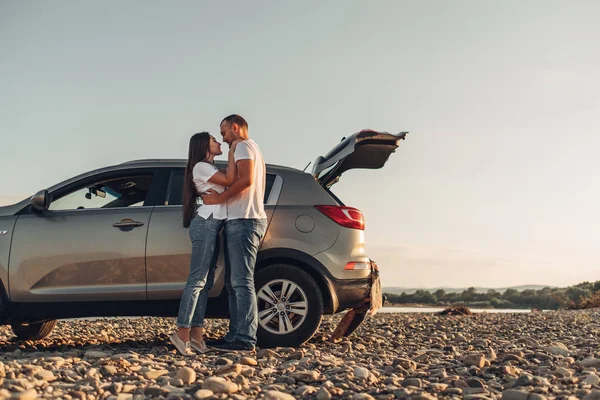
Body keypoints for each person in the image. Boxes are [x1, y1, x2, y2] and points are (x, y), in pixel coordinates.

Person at [169, 132, 239, 356]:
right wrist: (233, 151)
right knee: (197, 280)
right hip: (206, 224)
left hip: (214, 225)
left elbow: (230, 183)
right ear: (203, 145)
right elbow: (230, 181)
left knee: (205, 284)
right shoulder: (200, 166)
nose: (219, 142)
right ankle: (182, 333)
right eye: (214, 140)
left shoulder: (209, 168)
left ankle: (197, 337)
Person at [202, 114, 267, 353]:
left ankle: (245, 339)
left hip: (245, 221)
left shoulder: (243, 146)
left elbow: (246, 180)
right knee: (234, 283)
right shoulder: (245, 148)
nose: (223, 138)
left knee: (241, 282)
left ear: (235, 128)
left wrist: (219, 198)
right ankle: (235, 335)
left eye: (224, 133)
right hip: (240, 221)